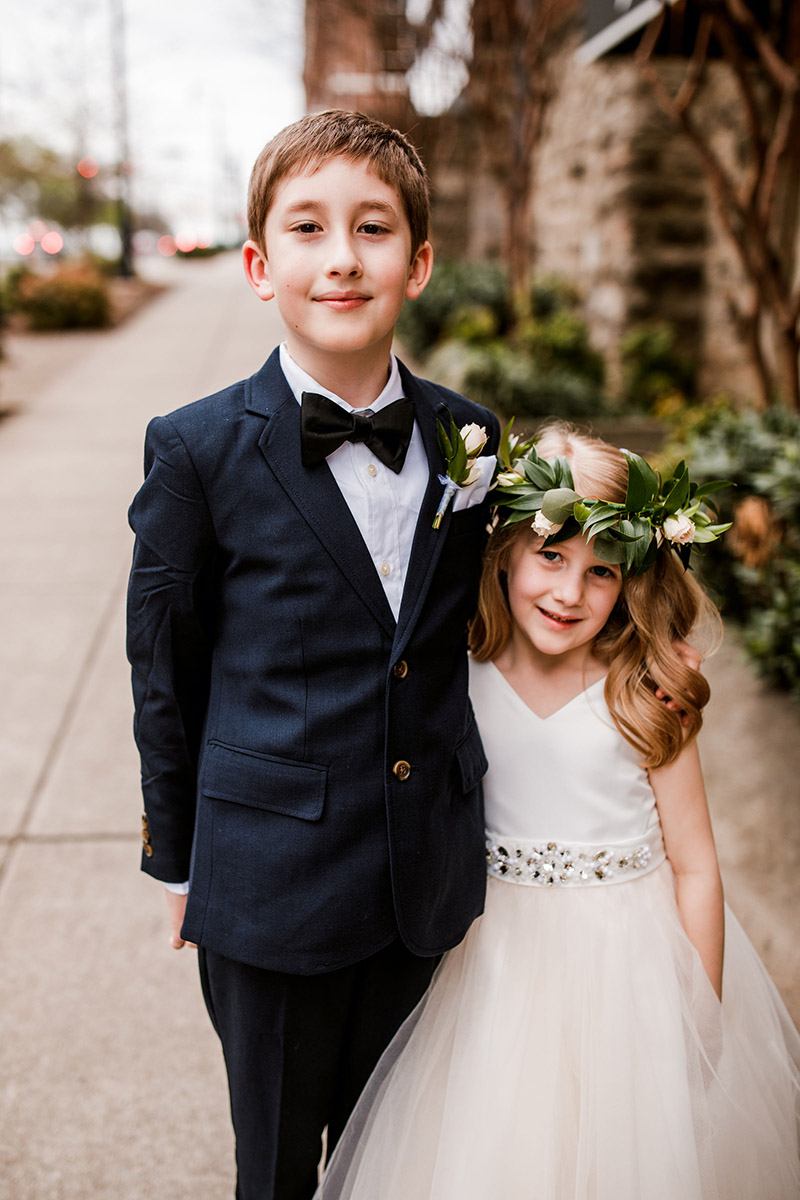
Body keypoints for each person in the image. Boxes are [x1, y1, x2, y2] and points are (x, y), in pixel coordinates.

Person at [125, 109, 501, 1200]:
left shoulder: (468, 440)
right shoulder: (195, 447)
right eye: (307, 229)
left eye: (374, 229)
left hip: (422, 879)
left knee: (403, 1160)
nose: (341, 258)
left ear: (419, 262)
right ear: (258, 264)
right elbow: (166, 670)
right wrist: (176, 858)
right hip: (269, 887)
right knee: (280, 1169)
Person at [316, 424, 800, 1200]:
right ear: (506, 547)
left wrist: (700, 1017)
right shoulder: (458, 673)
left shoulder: (646, 691)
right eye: (550, 557)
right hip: (492, 960)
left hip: (630, 965)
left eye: (601, 572)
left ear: (632, 580)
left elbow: (697, 864)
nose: (570, 593)